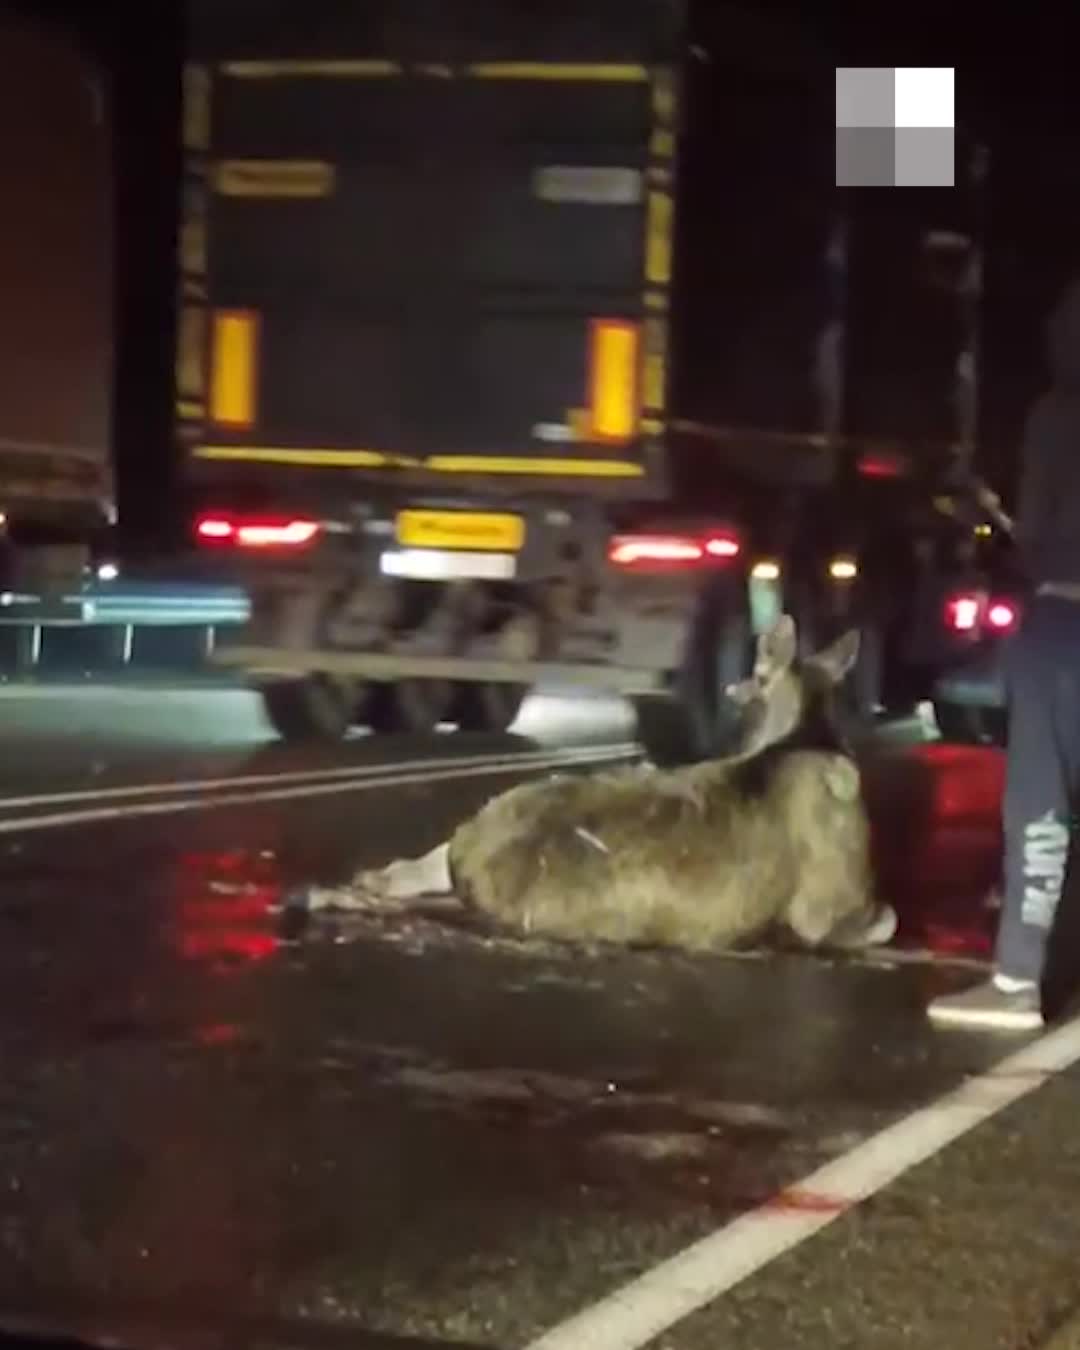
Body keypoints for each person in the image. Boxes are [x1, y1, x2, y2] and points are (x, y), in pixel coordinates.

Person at [929, 278, 1080, 1031]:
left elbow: (1043, 529)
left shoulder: (1057, 414)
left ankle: (1017, 979)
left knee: (1041, 806)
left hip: (1066, 620)